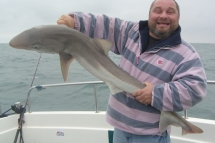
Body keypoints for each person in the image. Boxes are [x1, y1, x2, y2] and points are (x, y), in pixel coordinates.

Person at [57, 0, 207, 142]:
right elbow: (105, 24)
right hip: (119, 129)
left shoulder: (186, 54)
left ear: (178, 17)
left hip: (150, 136)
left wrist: (156, 94)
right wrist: (75, 21)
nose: (163, 15)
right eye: (157, 10)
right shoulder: (131, 32)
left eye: (170, 12)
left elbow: (196, 88)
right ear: (149, 15)